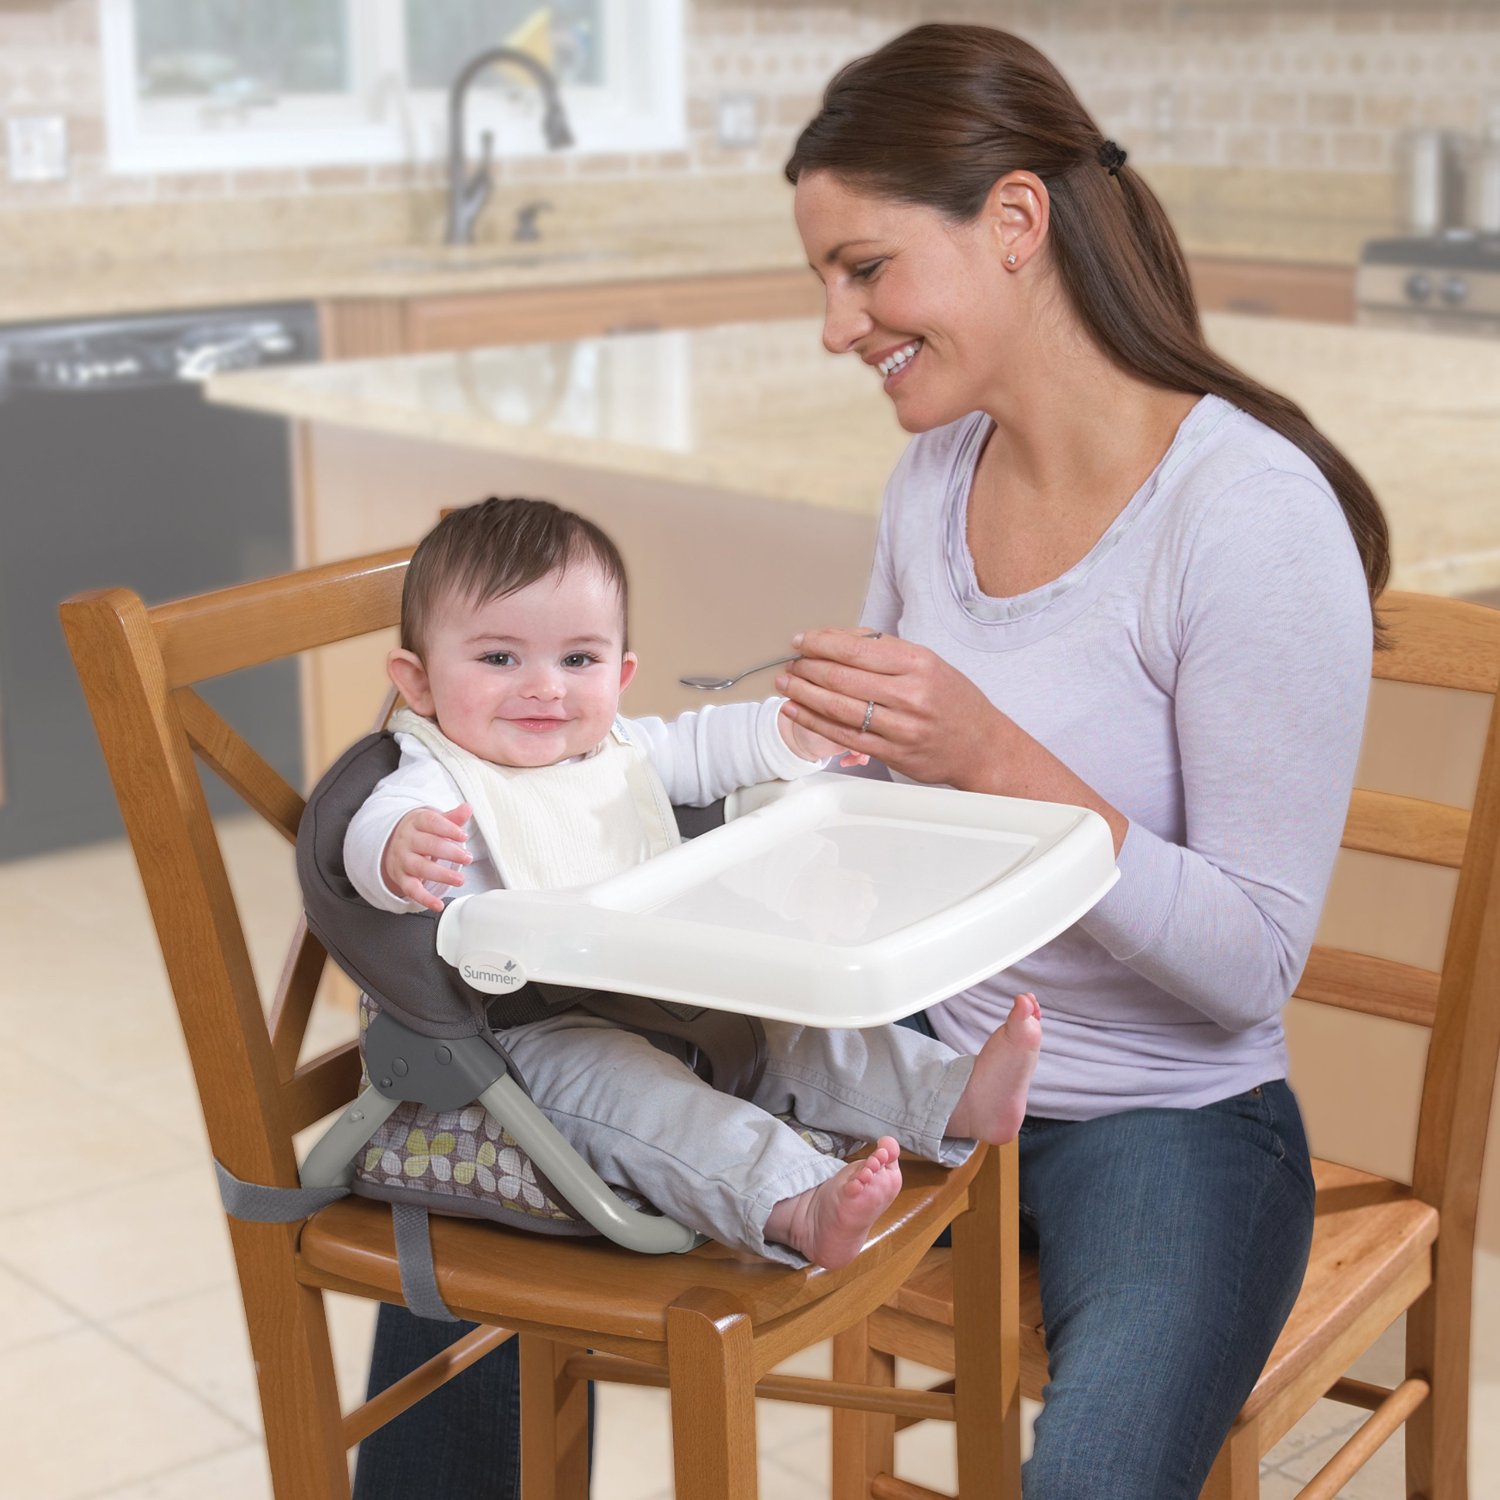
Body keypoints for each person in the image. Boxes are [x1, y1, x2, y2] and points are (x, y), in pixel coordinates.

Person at [772, 21, 1389, 1500]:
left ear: (1014, 222)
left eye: (866, 270)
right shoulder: (933, 478)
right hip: (927, 1070)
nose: (838, 324)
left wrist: (991, 754)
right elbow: (864, 812)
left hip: (1164, 1128)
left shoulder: (1245, 514)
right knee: (491, 1143)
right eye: (826, 283)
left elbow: (1250, 961)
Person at [343, 494, 1043, 1272]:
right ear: (419, 682)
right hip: (529, 1034)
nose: (546, 687)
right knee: (654, 1107)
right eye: (500, 658)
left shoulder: (617, 748)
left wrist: (791, 735)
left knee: (800, 1035)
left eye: (578, 660)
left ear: (622, 672)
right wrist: (395, 854)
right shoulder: (436, 775)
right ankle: (793, 1200)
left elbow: (707, 745)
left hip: (660, 992)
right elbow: (362, 840)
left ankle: (952, 1096)